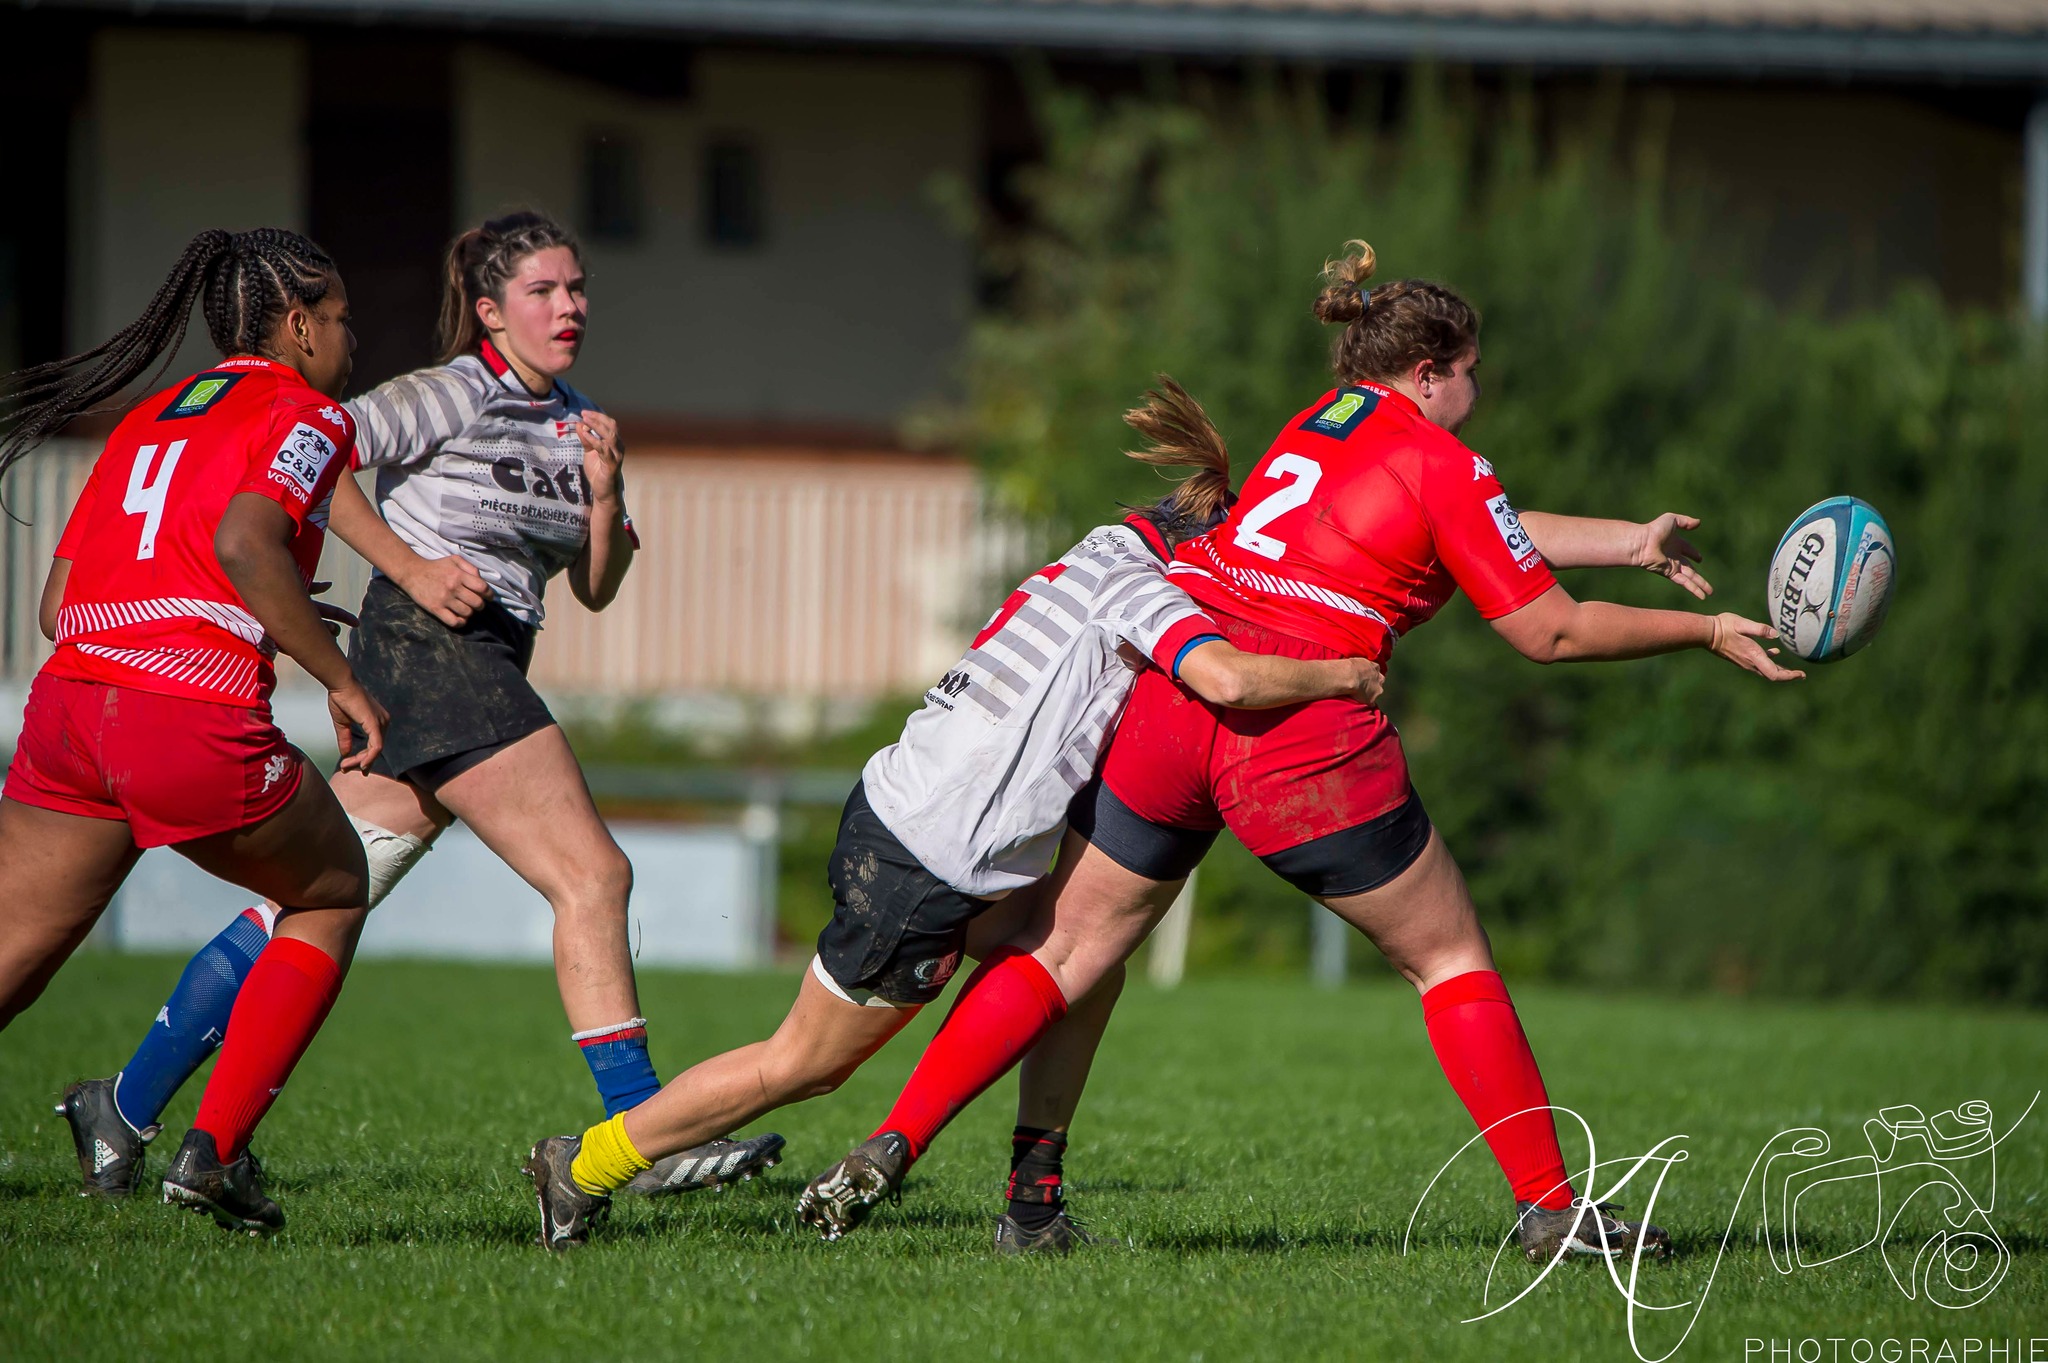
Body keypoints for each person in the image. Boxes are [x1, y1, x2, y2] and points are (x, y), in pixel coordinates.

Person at [795, 240, 1803, 1261]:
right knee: (1447, 955)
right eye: (1470, 369)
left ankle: (892, 1141)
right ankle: (1548, 1210)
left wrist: (1631, 540)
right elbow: (1545, 630)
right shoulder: (1443, 461)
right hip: (1298, 726)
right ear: (1427, 373)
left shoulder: (1321, 423)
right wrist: (1707, 629)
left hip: (1180, 693)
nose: (1477, 385)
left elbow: (1481, 527)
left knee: (1062, 947)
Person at [520, 385, 1388, 1250]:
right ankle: (582, 1164)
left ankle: (1034, 1204)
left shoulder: (1101, 553)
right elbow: (1226, 679)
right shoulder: (1144, 590)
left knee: (1089, 959)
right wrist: (1344, 674)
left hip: (915, 823)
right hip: (927, 859)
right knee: (804, 1063)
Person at [53, 212, 780, 1209]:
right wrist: (408, 563)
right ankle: (643, 1133)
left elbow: (598, 587)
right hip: (434, 650)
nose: (568, 306)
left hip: (464, 659)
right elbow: (323, 449)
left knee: (320, 895)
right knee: (592, 873)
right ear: (489, 310)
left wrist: (605, 494)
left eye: (577, 289)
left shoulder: (576, 417)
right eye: (542, 291)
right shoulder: (450, 391)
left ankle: (123, 1106)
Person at [0, 228, 387, 1234]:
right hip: (185, 719)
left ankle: (135, 1123)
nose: (351, 335)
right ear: (299, 325)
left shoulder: (151, 417)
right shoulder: (309, 414)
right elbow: (243, 539)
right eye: (340, 317)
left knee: (12, 954)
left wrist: (257, 604)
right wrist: (337, 677)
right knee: (333, 889)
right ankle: (213, 1154)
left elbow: (60, 604)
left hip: (71, 708)